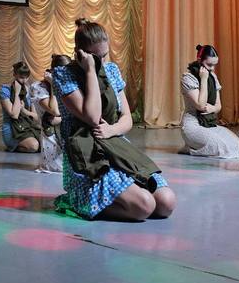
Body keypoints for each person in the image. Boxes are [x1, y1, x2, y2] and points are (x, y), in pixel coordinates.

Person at [52, 19, 176, 221]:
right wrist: (90, 71)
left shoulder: (111, 71)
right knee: (143, 207)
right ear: (80, 53)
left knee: (166, 203)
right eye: (96, 57)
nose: (102, 62)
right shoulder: (64, 75)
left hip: (115, 144)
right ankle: (79, 202)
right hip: (87, 152)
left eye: (104, 55)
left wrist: (112, 130)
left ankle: (126, 199)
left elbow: (126, 118)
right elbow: (92, 117)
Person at [179, 45, 239, 158]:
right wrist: (203, 79)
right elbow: (200, 105)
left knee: (237, 145)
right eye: (209, 65)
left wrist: (211, 108)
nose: (212, 68)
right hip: (193, 125)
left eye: (214, 65)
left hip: (208, 124)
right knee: (221, 147)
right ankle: (190, 148)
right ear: (199, 60)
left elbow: (218, 106)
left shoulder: (213, 77)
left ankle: (195, 146)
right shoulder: (188, 78)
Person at [30, 54, 71, 173]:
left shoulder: (67, 85)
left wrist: (62, 118)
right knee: (63, 169)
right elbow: (55, 111)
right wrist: (53, 85)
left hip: (67, 132)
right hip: (51, 136)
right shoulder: (38, 87)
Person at [0, 62, 40, 153]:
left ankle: (28, 142)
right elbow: (14, 115)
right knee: (34, 146)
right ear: (14, 75)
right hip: (12, 129)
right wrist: (17, 93)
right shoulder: (5, 90)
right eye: (21, 77)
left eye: (26, 77)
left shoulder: (29, 90)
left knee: (46, 143)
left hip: (27, 127)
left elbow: (36, 117)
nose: (24, 81)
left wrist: (24, 110)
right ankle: (13, 146)